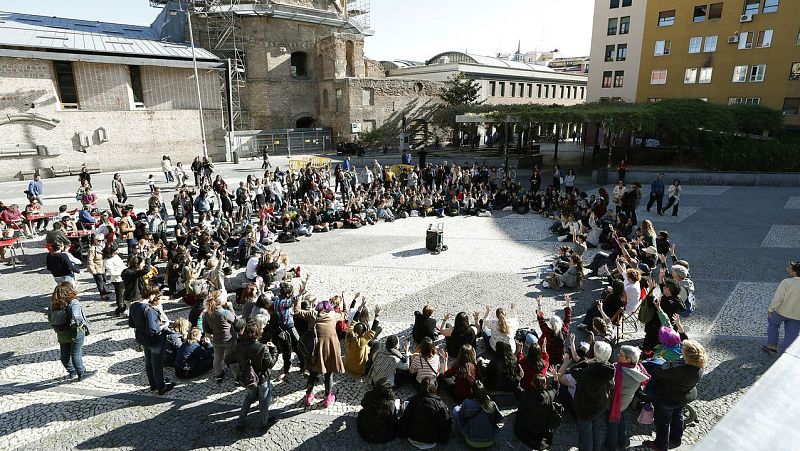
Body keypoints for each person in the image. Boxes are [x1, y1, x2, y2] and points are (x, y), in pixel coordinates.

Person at [642, 340, 707, 451]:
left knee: (662, 421)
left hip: (668, 398)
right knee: (678, 416)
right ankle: (676, 438)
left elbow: (659, 371)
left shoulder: (679, 369)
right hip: (683, 397)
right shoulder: (699, 366)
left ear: (687, 355)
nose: (681, 348)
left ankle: (660, 445)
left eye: (683, 349)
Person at [560, 341, 615, 451]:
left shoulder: (588, 372)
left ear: (595, 354)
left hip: (586, 408)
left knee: (586, 434)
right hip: (601, 405)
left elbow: (574, 369)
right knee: (597, 430)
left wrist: (588, 361)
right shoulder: (610, 369)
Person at [294, 293, 346, 408]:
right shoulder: (333, 315)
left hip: (315, 349)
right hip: (330, 348)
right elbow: (344, 315)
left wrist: (300, 295)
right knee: (329, 374)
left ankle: (308, 396)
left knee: (313, 373)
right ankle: (328, 398)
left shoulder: (313, 315)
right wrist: (344, 301)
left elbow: (297, 311)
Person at [230, 316, 280, 431]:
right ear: (257, 333)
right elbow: (271, 363)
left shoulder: (240, 346)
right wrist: (274, 349)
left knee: (249, 398)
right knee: (264, 400)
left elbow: (231, 359)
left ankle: (240, 422)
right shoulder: (262, 348)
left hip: (249, 378)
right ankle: (264, 422)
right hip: (262, 379)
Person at [129, 285, 174, 395]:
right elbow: (154, 330)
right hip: (155, 340)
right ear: (152, 295)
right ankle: (161, 387)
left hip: (142, 338)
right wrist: (165, 324)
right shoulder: (149, 309)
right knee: (157, 364)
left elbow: (131, 323)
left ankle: (153, 384)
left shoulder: (133, 306)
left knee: (149, 362)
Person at [47, 282, 95, 381]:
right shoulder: (73, 302)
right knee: (76, 353)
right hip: (75, 331)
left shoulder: (53, 304)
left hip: (61, 332)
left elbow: (49, 317)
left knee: (64, 354)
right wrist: (81, 324)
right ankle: (81, 372)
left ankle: (72, 371)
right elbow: (76, 317)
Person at [606, 345, 650, 451]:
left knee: (612, 425)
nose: (618, 356)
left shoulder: (618, 372)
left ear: (629, 359)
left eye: (621, 355)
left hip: (615, 403)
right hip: (626, 401)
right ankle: (622, 441)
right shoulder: (638, 369)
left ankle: (611, 446)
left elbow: (609, 386)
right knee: (620, 419)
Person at [399, 377, 452, 448]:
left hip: (412, 437)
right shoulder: (440, 404)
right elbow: (446, 422)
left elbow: (406, 417)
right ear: (435, 388)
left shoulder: (414, 400)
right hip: (432, 440)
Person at [202, 290, 241, 384]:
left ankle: (218, 375)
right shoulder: (225, 313)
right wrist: (231, 308)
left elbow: (206, 329)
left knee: (217, 358)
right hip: (229, 340)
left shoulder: (207, 314)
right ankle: (237, 378)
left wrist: (215, 332)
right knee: (232, 359)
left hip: (216, 340)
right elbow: (236, 322)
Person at [763, 261, 800, 354]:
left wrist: (770, 309)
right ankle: (786, 354)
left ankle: (772, 346)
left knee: (773, 325)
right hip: (796, 315)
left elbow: (778, 298)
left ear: (794, 273)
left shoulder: (786, 282)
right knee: (791, 334)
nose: (787, 269)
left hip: (781, 312)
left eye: (789, 269)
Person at [514, 373, 559, 450]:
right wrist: (555, 378)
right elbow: (556, 389)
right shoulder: (549, 395)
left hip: (527, 430)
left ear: (532, 383)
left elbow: (516, 388)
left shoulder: (526, 395)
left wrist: (519, 377)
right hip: (542, 430)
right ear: (545, 385)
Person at [452, 380, 503, 448]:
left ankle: (458, 437)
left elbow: (461, 417)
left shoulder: (466, 403)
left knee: (455, 409)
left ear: (472, 390)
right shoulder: (491, 404)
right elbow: (500, 420)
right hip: (489, 441)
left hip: (471, 441)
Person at [357, 377, 400, 443]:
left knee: (361, 413)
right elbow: (392, 418)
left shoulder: (369, 395)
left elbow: (363, 404)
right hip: (383, 433)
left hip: (367, 429)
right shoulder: (390, 403)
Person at [87, 234, 110, 300]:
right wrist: (93, 270)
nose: (101, 242)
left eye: (102, 240)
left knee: (104, 280)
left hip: (103, 267)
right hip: (96, 267)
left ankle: (105, 291)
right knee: (100, 282)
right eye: (99, 240)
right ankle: (103, 295)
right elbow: (90, 260)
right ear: (95, 240)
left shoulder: (103, 246)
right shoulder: (92, 249)